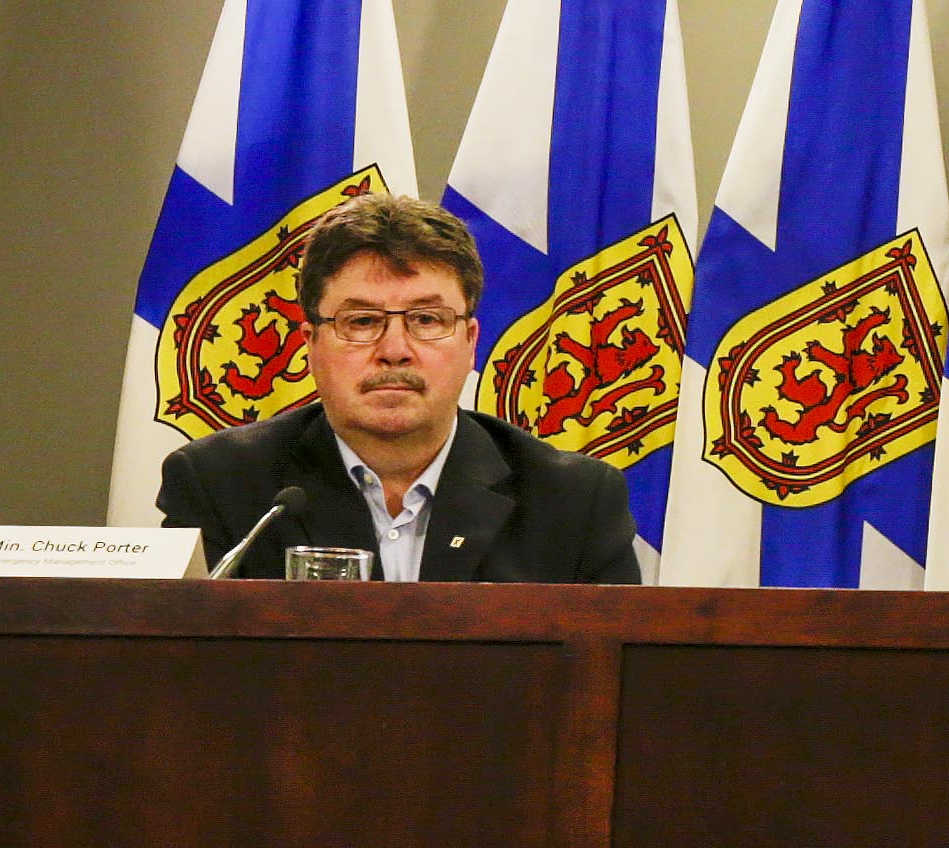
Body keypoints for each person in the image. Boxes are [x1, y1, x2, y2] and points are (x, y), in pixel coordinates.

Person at [156, 192, 643, 581]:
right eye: (362, 321)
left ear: (470, 342)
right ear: (310, 344)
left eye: (427, 319)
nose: (394, 350)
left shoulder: (574, 501)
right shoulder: (220, 486)